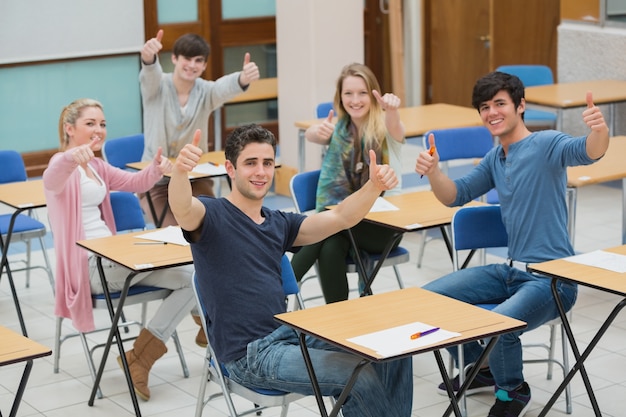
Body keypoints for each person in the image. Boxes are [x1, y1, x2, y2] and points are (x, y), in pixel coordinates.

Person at [168, 124, 413, 416]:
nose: (261, 171)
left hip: (289, 334)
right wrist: (181, 173)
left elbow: (341, 216)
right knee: (359, 376)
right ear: (230, 169)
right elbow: (183, 208)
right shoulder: (212, 216)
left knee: (395, 348)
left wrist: (373, 186)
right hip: (251, 356)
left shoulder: (278, 223)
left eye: (267, 163)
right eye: (250, 163)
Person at [415, 71, 609, 417]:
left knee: (501, 324)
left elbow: (588, 151)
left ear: (520, 106)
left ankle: (513, 392)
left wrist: (599, 130)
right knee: (429, 299)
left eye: (500, 103)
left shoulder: (545, 144)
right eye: (485, 106)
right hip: (509, 272)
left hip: (552, 280)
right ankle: (484, 367)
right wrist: (433, 172)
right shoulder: (495, 158)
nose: (492, 112)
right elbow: (454, 196)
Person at [43, 98, 203, 403]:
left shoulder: (97, 165)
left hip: (113, 258)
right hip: (89, 266)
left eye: (102, 124)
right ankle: (205, 324)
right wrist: (69, 159)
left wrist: (156, 168)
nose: (98, 130)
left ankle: (139, 358)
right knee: (185, 275)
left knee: (192, 276)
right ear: (69, 129)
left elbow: (133, 181)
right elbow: (52, 179)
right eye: (90, 123)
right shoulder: (60, 165)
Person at [290, 62, 406, 303]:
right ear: (339, 97)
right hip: (345, 224)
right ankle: (338, 319)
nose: (355, 100)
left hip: (384, 226)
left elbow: (396, 129)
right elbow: (313, 135)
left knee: (323, 228)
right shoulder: (340, 130)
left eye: (362, 93)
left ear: (374, 94)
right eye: (348, 93)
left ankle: (276, 290)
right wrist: (314, 132)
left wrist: (393, 110)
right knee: (330, 242)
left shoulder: (385, 128)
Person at [139, 29, 260, 227]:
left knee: (213, 224)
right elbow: (150, 74)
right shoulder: (156, 88)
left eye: (198, 60)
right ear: (175, 58)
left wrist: (244, 78)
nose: (192, 65)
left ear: (204, 65)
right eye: (187, 58)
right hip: (158, 184)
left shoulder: (206, 91)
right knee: (179, 231)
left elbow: (224, 87)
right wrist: (148, 58)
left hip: (196, 179)